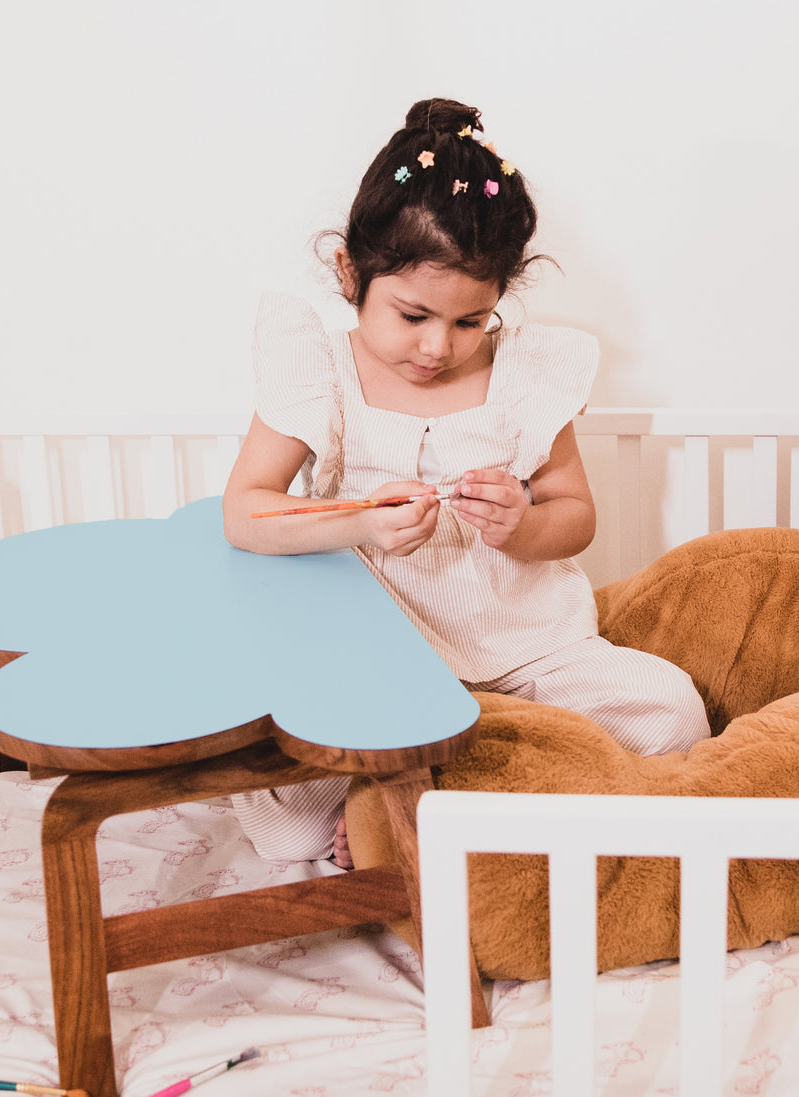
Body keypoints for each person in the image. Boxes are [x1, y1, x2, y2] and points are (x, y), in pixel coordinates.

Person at [221, 97, 710, 867]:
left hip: (524, 653)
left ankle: (438, 784)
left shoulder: (525, 377)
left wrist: (522, 521)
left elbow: (575, 515)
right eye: (411, 314)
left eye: (468, 322)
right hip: (380, 664)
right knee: (288, 832)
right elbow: (245, 513)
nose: (436, 346)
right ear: (351, 273)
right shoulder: (318, 373)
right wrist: (356, 522)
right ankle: (444, 779)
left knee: (674, 716)